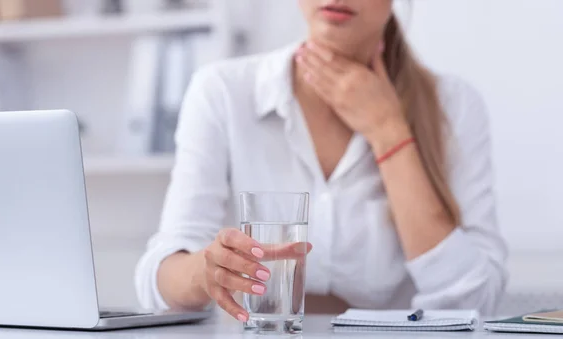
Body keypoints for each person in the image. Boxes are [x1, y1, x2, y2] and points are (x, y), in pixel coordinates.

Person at [135, 0, 508, 322]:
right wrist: (206, 273)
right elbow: (159, 277)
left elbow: (475, 300)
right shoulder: (221, 91)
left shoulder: (455, 108)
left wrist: (389, 132)